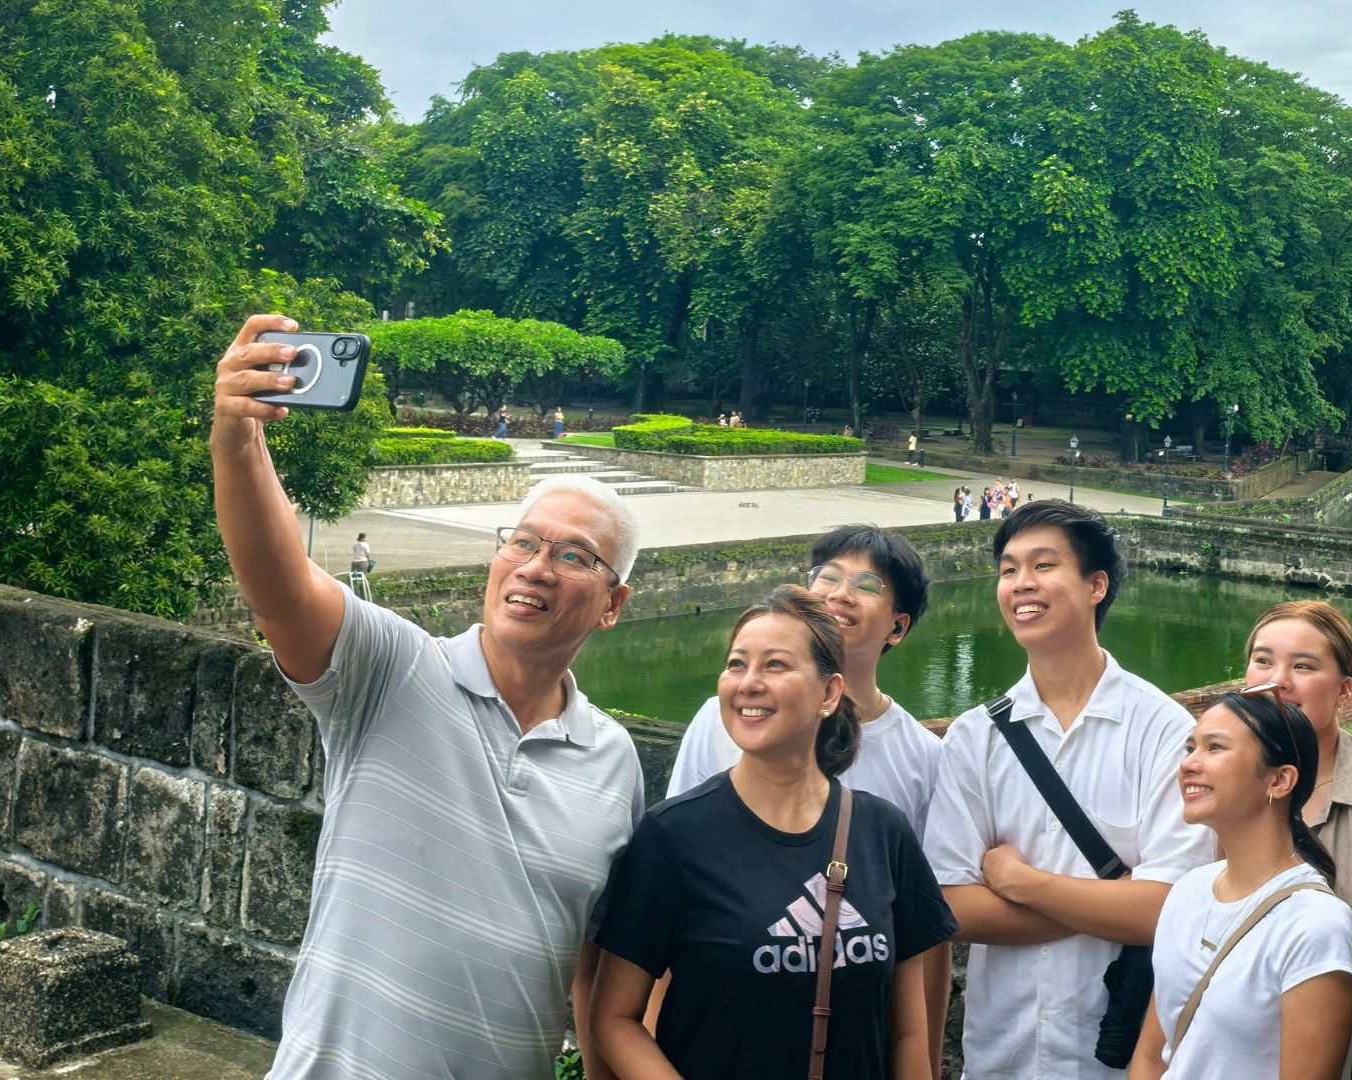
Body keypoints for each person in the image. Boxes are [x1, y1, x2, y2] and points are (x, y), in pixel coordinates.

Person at [210, 315, 644, 1077]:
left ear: (613, 605)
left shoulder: (613, 763)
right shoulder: (392, 669)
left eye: (574, 556)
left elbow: (591, 969)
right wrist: (238, 441)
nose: (537, 567)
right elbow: (277, 588)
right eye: (522, 542)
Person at [591, 587, 956, 1080]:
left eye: (776, 665)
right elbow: (613, 1016)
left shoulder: (882, 832)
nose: (749, 683)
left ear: (829, 694)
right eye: (737, 664)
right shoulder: (673, 836)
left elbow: (907, 1031)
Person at [924, 501, 1209, 1079]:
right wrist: (1110, 905)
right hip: (1002, 1053)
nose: (1021, 584)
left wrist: (1020, 883)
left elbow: (1168, 908)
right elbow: (953, 905)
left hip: (1118, 1057)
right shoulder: (974, 738)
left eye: (1043, 565)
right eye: (1008, 570)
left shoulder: (1163, 729)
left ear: (1096, 584)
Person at [1126, 689, 1352, 1079]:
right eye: (1190, 748)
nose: (1187, 765)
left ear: (1280, 779)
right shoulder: (1187, 891)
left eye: (1215, 747)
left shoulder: (1315, 927)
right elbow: (1154, 1054)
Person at [1238, 601, 1352, 1067]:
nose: (1277, 679)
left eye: (1303, 666)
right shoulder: (1219, 788)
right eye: (1263, 660)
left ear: (1345, 690)